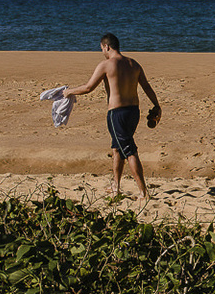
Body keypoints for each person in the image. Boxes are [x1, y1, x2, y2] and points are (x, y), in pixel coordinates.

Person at [63, 33, 161, 200]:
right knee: (117, 149)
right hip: (133, 112)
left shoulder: (106, 65)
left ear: (107, 46)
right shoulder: (133, 64)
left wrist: (69, 91)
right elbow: (146, 87)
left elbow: (88, 88)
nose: (102, 51)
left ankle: (143, 192)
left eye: (102, 48)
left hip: (117, 114)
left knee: (129, 150)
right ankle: (115, 187)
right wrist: (157, 105)